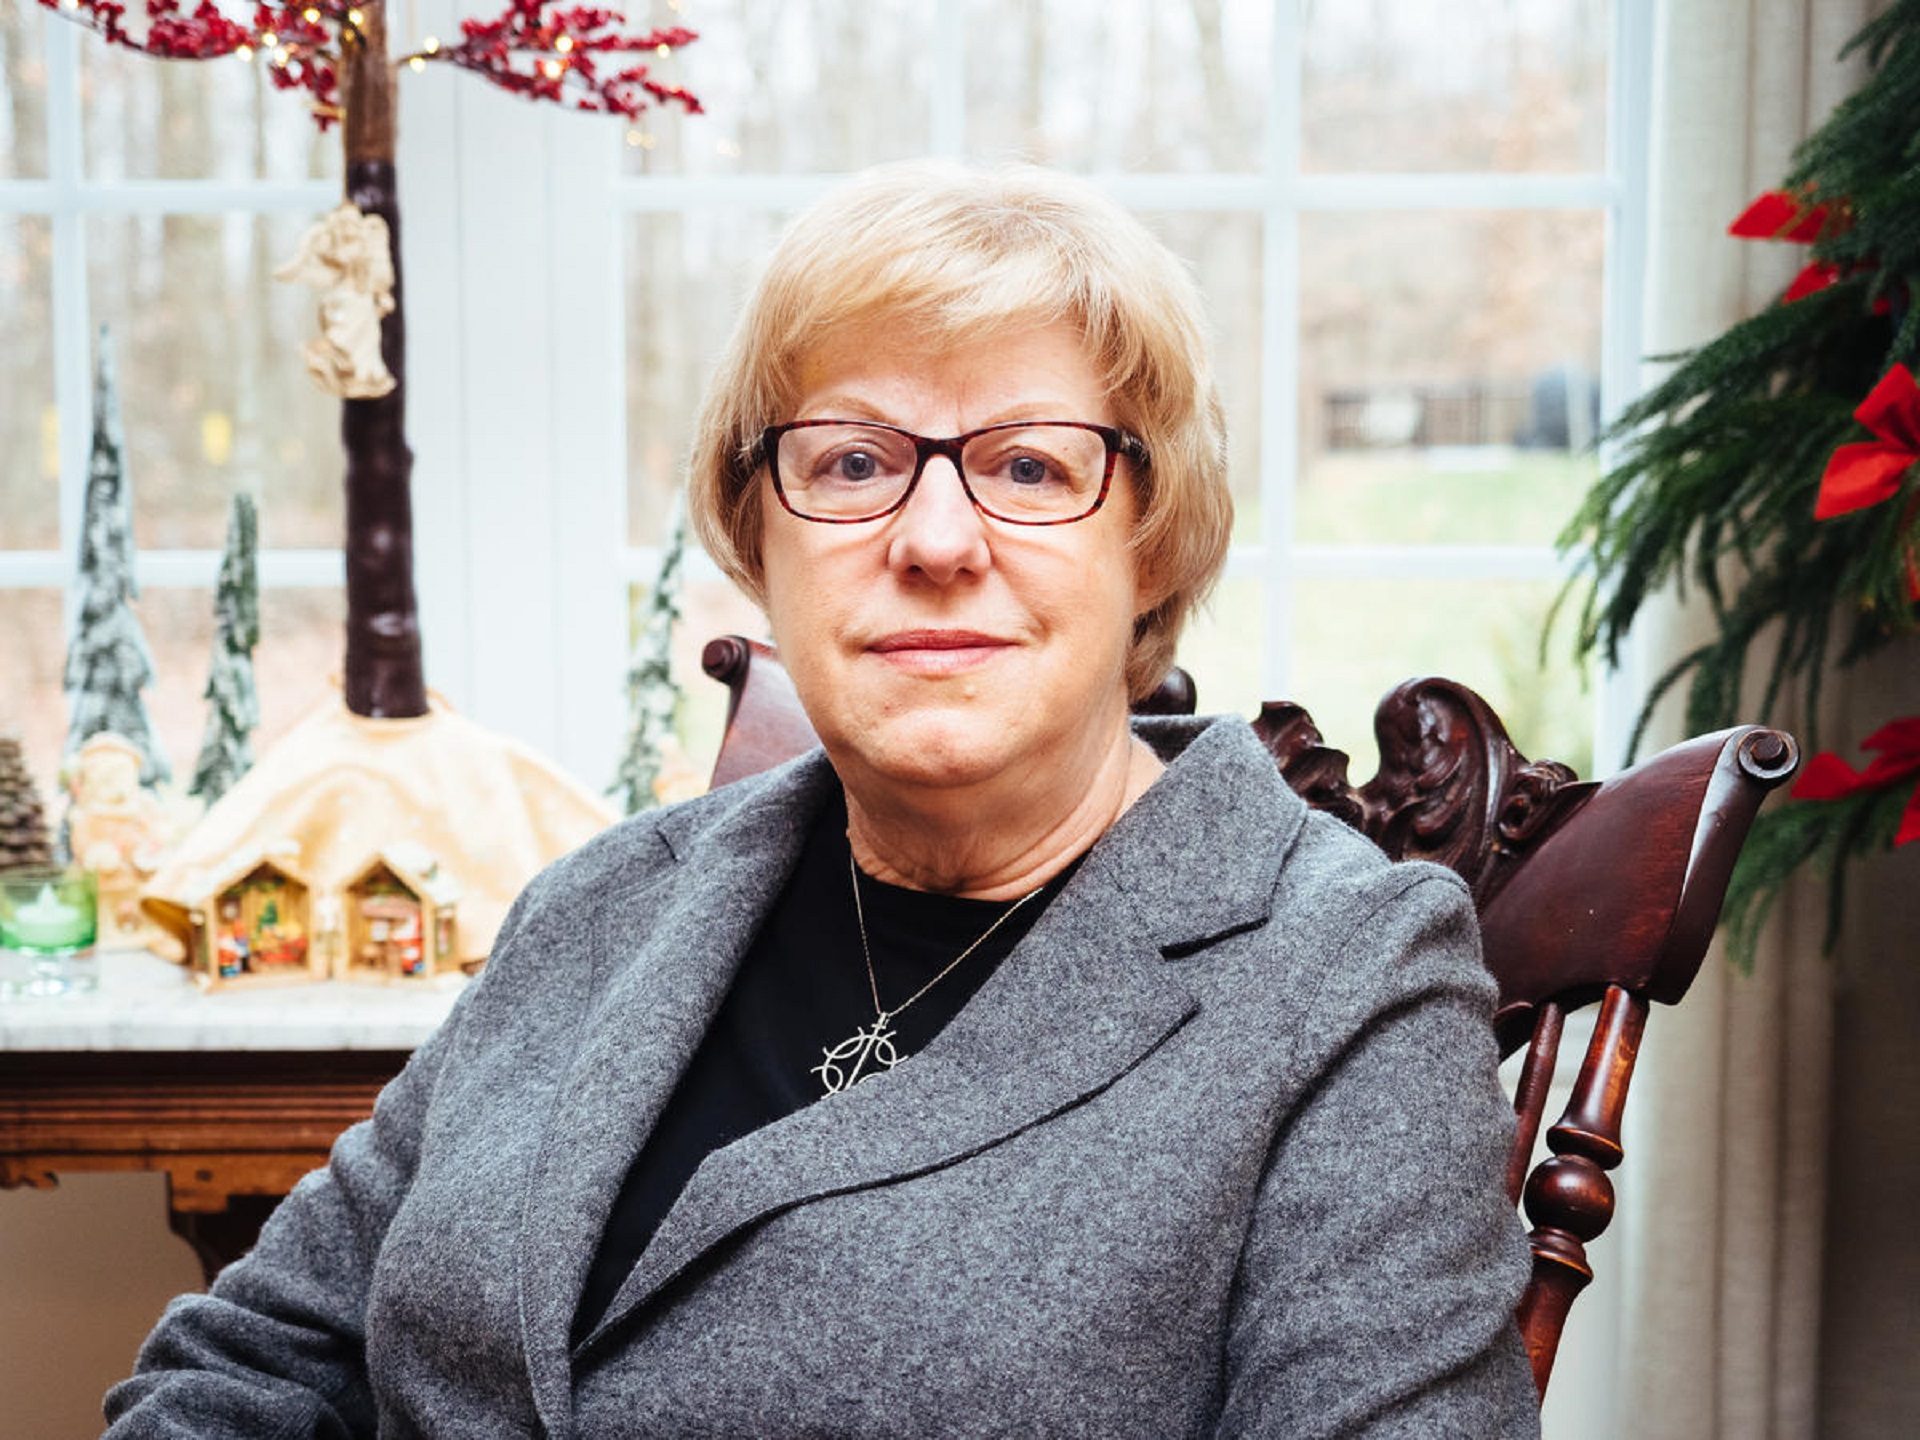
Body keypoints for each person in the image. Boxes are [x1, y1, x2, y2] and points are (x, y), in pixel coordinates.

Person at [105, 163, 1538, 1438]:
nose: (931, 538)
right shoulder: (603, 902)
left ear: (1152, 544)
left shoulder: (1343, 976)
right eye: (852, 463)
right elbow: (248, 1358)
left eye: (1031, 466)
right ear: (757, 538)